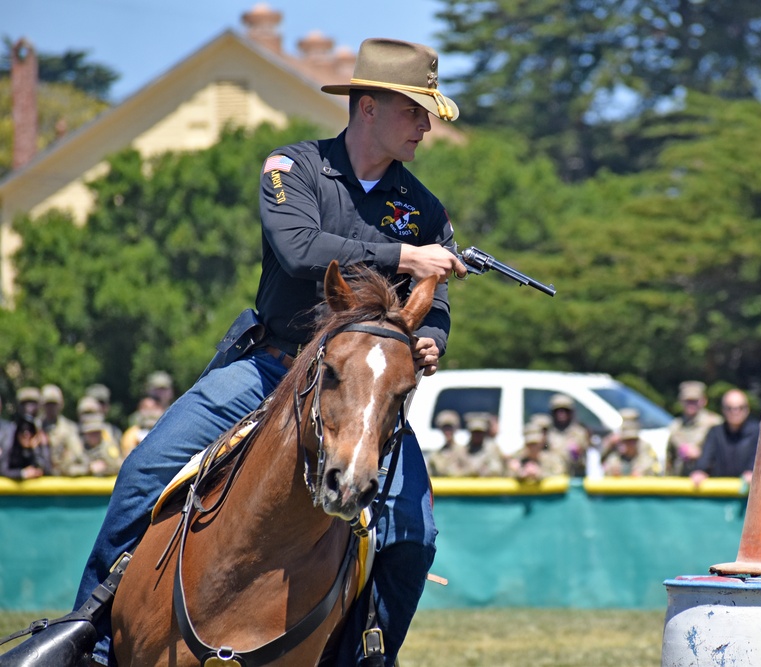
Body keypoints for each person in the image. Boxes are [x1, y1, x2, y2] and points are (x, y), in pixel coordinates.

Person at [59, 37, 467, 667]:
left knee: (415, 535)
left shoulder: (425, 209)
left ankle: (364, 656)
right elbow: (300, 249)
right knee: (144, 472)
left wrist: (431, 339)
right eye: (415, 110)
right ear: (368, 108)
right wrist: (403, 256)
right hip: (267, 368)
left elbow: (434, 305)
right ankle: (90, 638)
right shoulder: (292, 168)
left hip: (360, 388)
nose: (426, 125)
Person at [690, 389, 759, 488]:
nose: (735, 412)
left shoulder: (758, 432)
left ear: (747, 409)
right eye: (729, 408)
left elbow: (758, 458)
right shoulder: (715, 432)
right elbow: (706, 458)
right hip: (721, 493)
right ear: (723, 410)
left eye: (740, 408)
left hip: (749, 492)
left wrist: (752, 472)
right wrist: (700, 471)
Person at [665, 381, 723, 476]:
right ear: (680, 401)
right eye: (687, 401)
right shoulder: (675, 427)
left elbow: (723, 456)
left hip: (709, 481)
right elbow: (669, 459)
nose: (691, 404)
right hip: (680, 480)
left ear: (704, 401)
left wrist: (701, 454)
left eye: (695, 401)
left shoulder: (715, 423)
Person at [39, 384, 85, 478]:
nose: (51, 408)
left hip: (63, 478)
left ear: (61, 405)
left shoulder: (69, 429)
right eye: (48, 404)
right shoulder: (35, 427)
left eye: (54, 404)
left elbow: (79, 457)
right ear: (42, 405)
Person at [545, 393, 591, 477]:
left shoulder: (579, 433)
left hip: (573, 478)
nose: (561, 414)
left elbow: (582, 460)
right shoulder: (547, 432)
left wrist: (577, 452)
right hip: (551, 477)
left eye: (565, 410)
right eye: (558, 411)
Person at [0, 416, 52, 480]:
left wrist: (35, 449)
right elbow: (3, 470)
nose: (27, 435)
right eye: (23, 430)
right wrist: (23, 473)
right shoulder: (9, 445)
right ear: (17, 433)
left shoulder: (37, 447)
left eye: (31, 430)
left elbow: (47, 470)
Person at [461, 413, 508, 477]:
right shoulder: (463, 450)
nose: (477, 435)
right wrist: (469, 471)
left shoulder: (492, 448)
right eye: (474, 432)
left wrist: (484, 471)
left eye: (480, 433)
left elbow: (497, 469)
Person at [427, 410, 463, 476]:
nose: (447, 431)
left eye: (450, 428)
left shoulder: (463, 452)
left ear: (456, 428)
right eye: (445, 428)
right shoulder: (435, 455)